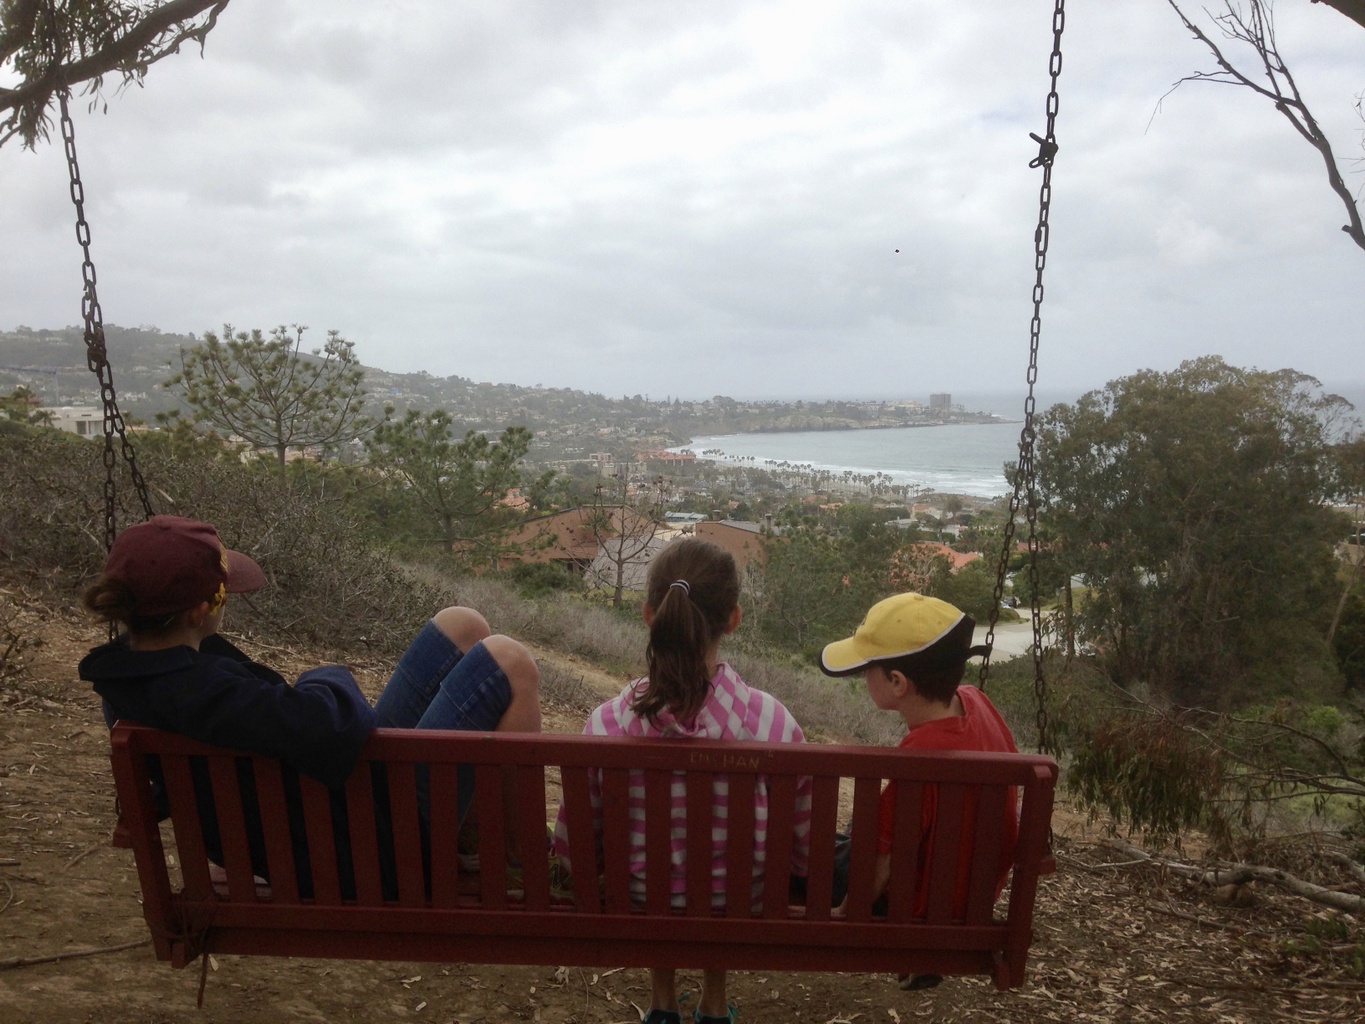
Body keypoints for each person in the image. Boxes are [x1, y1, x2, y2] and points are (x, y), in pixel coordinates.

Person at [79, 514, 541, 890]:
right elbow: (332, 723)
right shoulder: (211, 695)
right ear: (201, 610)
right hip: (371, 847)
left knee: (460, 624)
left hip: (333, 810)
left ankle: (476, 839)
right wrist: (326, 674)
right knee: (509, 662)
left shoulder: (131, 681)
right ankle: (525, 862)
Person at [551, 537, 811, 1024]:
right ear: (732, 620)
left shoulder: (606, 724)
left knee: (660, 875)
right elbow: (802, 845)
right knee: (723, 875)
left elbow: (574, 847)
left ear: (650, 614)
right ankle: (714, 1002)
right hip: (740, 904)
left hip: (640, 900)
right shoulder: (774, 724)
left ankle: (663, 1002)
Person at [819, 591, 1019, 992]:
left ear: (897, 682)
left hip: (914, 908)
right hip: (965, 900)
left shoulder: (920, 759)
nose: (862, 677)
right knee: (843, 842)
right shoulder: (978, 703)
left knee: (807, 855)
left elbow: (882, 859)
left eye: (866, 669)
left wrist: (845, 913)